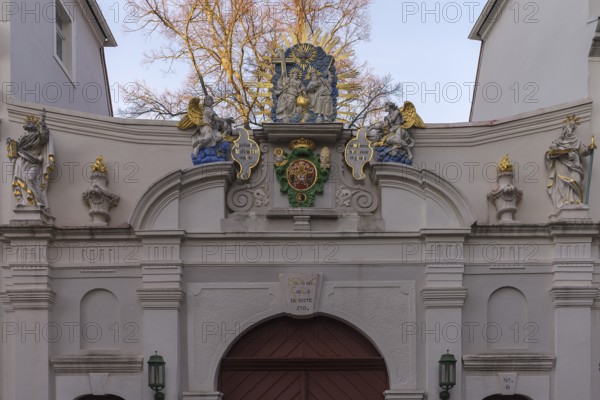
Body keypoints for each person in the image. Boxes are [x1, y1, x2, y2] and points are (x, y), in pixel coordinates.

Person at [6, 110, 55, 209]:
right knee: (20, 179)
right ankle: (25, 200)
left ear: (34, 125)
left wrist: (43, 122)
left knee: (30, 178)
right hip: (21, 160)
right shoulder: (22, 137)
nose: (27, 123)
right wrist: (10, 144)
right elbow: (16, 149)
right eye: (27, 122)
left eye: (30, 123)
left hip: (34, 161)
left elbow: (44, 137)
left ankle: (39, 200)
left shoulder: (37, 135)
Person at [546, 118, 596, 208]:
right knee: (563, 182)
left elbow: (583, 151)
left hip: (575, 163)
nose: (570, 128)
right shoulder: (558, 141)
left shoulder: (577, 140)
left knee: (576, 181)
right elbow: (550, 153)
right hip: (562, 162)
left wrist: (589, 149)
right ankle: (566, 200)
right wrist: (563, 152)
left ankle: (576, 200)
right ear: (565, 128)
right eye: (569, 126)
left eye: (572, 127)